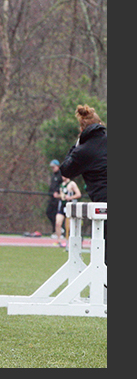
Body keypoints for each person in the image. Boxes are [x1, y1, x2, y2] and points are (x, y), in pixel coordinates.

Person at [59, 104, 107, 261]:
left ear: (82, 131)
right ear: (100, 125)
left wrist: (76, 146)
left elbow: (66, 170)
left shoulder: (83, 150)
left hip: (104, 202)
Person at [54, 176, 81, 247]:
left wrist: (70, 197)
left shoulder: (72, 184)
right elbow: (62, 195)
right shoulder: (61, 184)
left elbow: (78, 194)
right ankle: (59, 240)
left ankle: (69, 241)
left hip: (69, 206)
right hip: (62, 206)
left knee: (68, 225)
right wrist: (58, 196)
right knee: (58, 223)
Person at [45, 159, 63, 238]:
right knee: (49, 212)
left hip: (57, 199)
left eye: (54, 167)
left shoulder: (60, 175)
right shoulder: (53, 175)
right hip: (52, 198)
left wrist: (59, 193)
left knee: (57, 215)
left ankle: (59, 230)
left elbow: (62, 186)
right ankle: (55, 230)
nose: (53, 168)